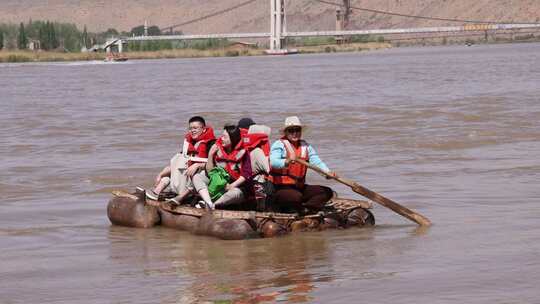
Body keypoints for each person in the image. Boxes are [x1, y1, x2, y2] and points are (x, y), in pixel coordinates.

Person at [269, 116, 336, 214]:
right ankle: (295, 207)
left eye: (297, 130)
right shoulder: (279, 145)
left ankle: (307, 209)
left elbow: (316, 162)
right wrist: (286, 161)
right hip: (280, 188)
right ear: (286, 132)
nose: (295, 133)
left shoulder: (306, 146)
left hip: (299, 187)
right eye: (291, 131)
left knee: (327, 192)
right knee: (296, 197)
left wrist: (327, 173)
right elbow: (273, 162)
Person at [146, 116, 215, 201]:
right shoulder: (188, 145)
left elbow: (214, 166)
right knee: (173, 166)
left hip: (200, 177)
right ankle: (156, 192)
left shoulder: (211, 143)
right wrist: (160, 174)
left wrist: (197, 165)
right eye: (190, 128)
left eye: (195, 128)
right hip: (186, 176)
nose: (192, 130)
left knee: (198, 175)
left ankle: (182, 197)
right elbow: (175, 164)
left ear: (203, 129)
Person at [191, 123, 251, 209]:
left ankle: (214, 204)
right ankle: (208, 201)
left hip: (236, 188)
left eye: (225, 137)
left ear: (233, 139)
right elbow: (210, 172)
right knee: (197, 177)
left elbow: (246, 174)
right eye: (222, 136)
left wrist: (232, 185)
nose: (222, 139)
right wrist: (211, 154)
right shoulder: (217, 149)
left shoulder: (244, 153)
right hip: (218, 184)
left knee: (235, 193)